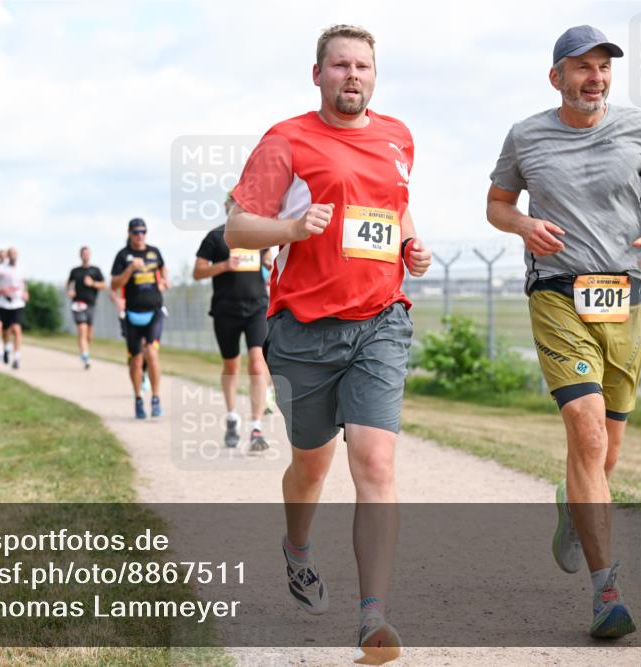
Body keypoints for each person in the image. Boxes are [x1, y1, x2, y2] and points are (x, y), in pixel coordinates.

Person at [225, 24, 432, 665]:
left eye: (362, 66)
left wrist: (410, 246)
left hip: (380, 320)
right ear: (317, 74)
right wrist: (291, 225)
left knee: (373, 463)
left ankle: (373, 617)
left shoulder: (398, 137)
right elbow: (237, 224)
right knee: (310, 466)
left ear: (374, 75)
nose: (352, 75)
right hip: (304, 332)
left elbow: (395, 208)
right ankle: (297, 546)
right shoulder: (286, 139)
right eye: (339, 65)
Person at [486, 24, 641, 639]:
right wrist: (522, 226)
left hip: (624, 299)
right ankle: (607, 592)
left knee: (607, 452)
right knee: (587, 430)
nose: (594, 78)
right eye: (582, 68)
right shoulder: (526, 135)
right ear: (557, 77)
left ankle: (574, 505)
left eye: (603, 68)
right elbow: (496, 205)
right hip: (557, 294)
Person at [193, 192, 271, 452]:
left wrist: (270, 269)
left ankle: (256, 426)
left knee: (258, 363)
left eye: (246, 204)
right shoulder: (216, 237)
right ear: (228, 207)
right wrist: (224, 265)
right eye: (236, 204)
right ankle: (231, 417)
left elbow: (268, 263)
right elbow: (197, 271)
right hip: (226, 310)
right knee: (232, 366)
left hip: (257, 307)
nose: (240, 208)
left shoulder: (259, 236)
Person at [110, 218, 169, 419]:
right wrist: (129, 269)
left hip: (154, 311)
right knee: (135, 360)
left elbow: (162, 268)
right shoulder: (123, 255)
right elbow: (114, 284)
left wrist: (164, 281)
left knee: (151, 353)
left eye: (143, 231)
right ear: (129, 233)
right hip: (132, 314)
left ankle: (155, 398)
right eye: (136, 232)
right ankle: (137, 398)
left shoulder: (154, 252)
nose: (140, 235)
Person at [67, 246, 106, 370]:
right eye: (83, 253)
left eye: (87, 253)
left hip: (91, 304)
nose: (85, 255)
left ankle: (84, 351)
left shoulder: (95, 270)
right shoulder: (75, 271)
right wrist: (70, 290)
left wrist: (93, 283)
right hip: (78, 304)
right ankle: (86, 356)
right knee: (82, 329)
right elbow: (69, 284)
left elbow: (104, 285)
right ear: (80, 255)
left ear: (90, 255)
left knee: (89, 335)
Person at [0, 247, 28, 370]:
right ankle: (6, 348)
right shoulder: (1, 269)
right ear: (8, 256)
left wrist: (26, 292)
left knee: (16, 328)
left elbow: (25, 282)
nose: (13, 256)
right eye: (11, 254)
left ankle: (16, 358)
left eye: (15, 254)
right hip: (4, 303)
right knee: (6, 331)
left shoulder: (22, 268)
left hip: (18, 303)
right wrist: (0, 289)